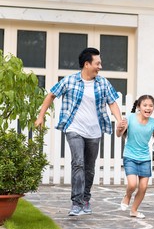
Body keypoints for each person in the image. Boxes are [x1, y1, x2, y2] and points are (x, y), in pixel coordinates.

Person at [35, 47, 123, 216]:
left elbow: (112, 102)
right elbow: (51, 95)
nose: (100, 66)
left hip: (94, 131)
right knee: (78, 163)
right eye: (97, 63)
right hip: (74, 128)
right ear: (87, 64)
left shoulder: (102, 83)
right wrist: (41, 116)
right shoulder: (69, 81)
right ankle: (76, 202)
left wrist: (119, 120)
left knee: (89, 168)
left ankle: (85, 199)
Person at [116, 95, 154, 219]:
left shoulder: (153, 123)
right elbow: (119, 134)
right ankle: (127, 196)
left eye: (151, 106)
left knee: (143, 187)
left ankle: (134, 210)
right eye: (145, 105)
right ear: (139, 107)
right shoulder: (130, 118)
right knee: (133, 184)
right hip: (130, 156)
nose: (148, 108)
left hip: (145, 158)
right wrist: (119, 128)